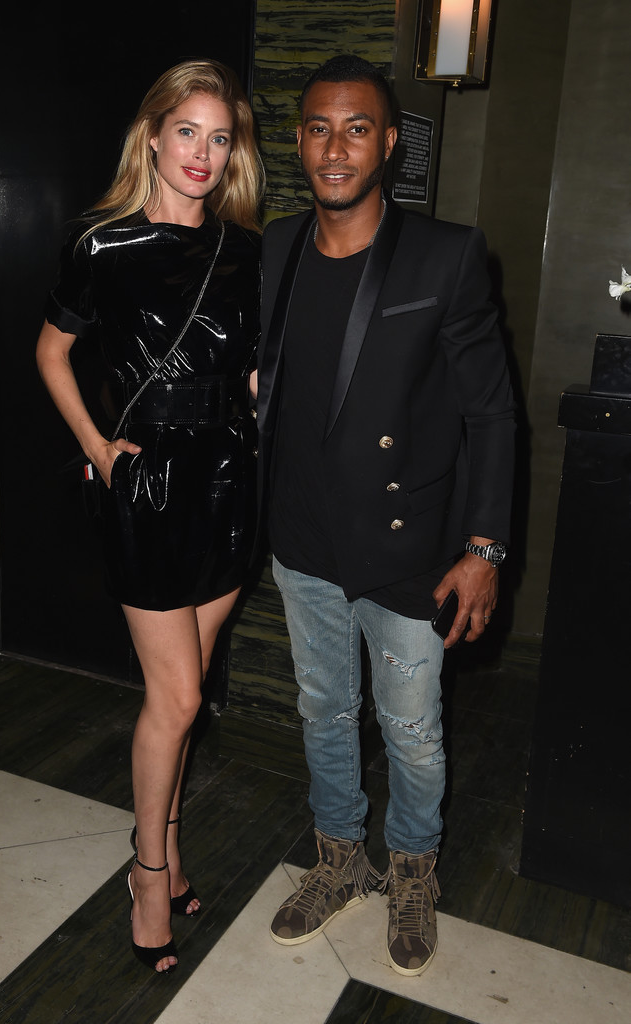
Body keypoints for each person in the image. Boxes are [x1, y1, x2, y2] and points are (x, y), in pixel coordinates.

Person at [256, 55, 515, 976]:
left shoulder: (444, 256)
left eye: (357, 128)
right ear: (298, 140)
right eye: (319, 128)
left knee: (411, 732)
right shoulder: (277, 246)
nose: (335, 147)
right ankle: (339, 857)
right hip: (304, 544)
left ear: (390, 142)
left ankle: (412, 869)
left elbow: (491, 411)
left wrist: (485, 547)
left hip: (411, 554)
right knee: (326, 713)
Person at [36, 60, 264, 974]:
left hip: (230, 482)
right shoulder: (101, 245)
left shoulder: (248, 250)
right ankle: (147, 871)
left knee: (188, 693)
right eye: (188, 132)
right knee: (175, 698)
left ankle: (165, 859)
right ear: (155, 134)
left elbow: (248, 372)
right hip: (148, 485)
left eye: (221, 138)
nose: (204, 154)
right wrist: (97, 447)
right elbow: (52, 354)